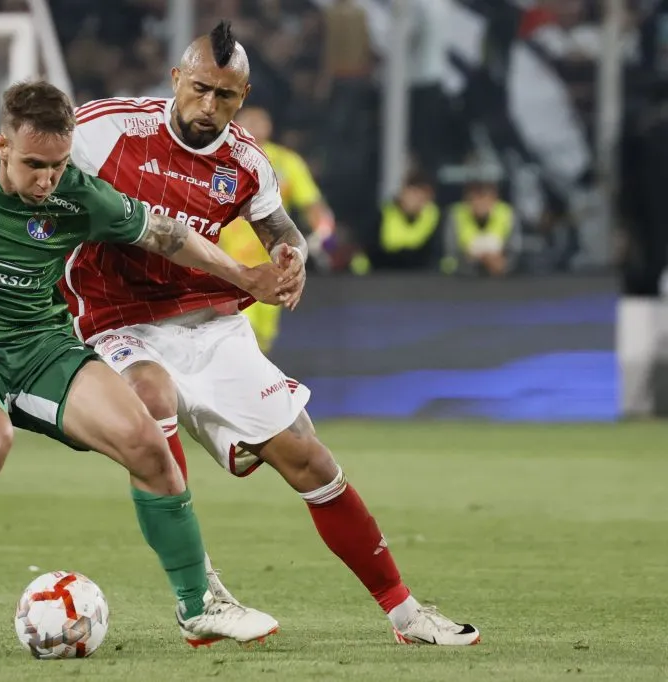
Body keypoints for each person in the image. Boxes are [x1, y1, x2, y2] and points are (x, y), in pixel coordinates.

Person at [60, 21, 480, 646]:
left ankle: (405, 612)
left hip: (212, 321)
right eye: (200, 89)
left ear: (245, 95)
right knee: (152, 399)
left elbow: (282, 229)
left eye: (226, 97)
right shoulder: (106, 127)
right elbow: (22, 157)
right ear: (176, 78)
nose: (210, 107)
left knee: (309, 457)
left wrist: (292, 257)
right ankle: (198, 596)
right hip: (118, 320)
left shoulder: (244, 163)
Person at [0, 80, 287, 658]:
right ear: (0, 145)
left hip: (40, 345)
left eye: (56, 165)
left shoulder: (79, 195)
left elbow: (169, 235)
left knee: (146, 442)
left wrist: (242, 274)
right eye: (33, 165)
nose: (46, 179)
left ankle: (198, 605)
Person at [219, 105, 335, 353]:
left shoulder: (287, 162)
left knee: (262, 342)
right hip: (228, 266)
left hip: (272, 267)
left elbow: (312, 204)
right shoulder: (218, 156)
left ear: (269, 126)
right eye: (248, 119)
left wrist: (323, 231)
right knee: (237, 339)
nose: (254, 125)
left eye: (261, 120)